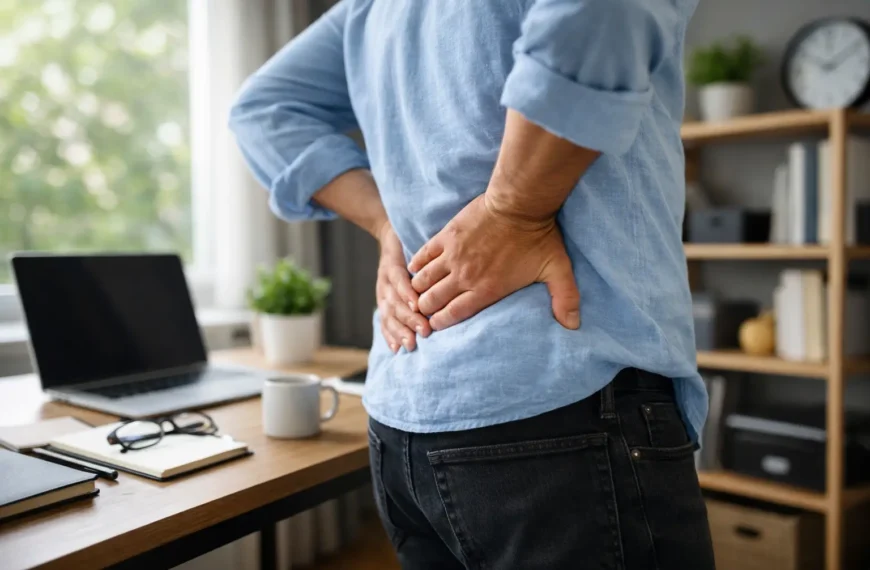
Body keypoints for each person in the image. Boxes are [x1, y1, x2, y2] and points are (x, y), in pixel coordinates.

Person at [230, 0, 715, 568]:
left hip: (407, 421)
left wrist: (391, 221)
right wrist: (513, 210)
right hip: (564, 397)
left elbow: (263, 111)